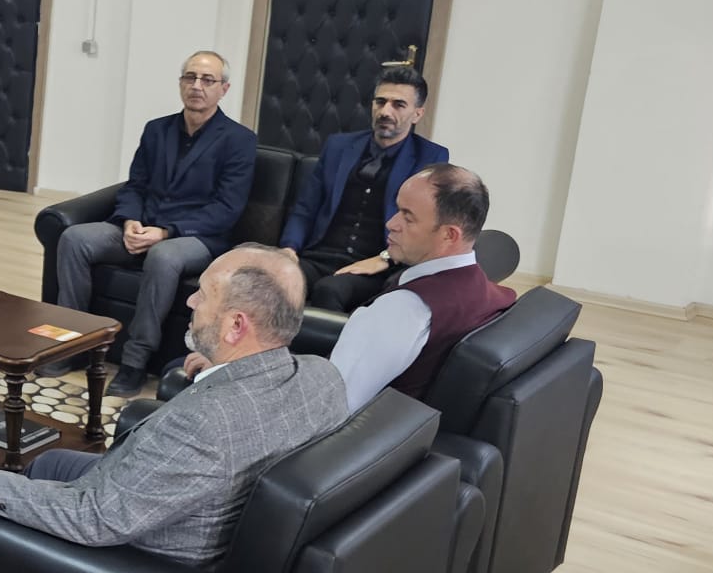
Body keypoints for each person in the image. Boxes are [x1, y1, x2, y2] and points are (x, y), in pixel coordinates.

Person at [0, 244, 346, 573]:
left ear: (236, 326)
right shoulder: (319, 376)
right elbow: (244, 408)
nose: (190, 302)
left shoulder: (204, 424)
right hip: (176, 503)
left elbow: (96, 519)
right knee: (47, 462)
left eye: (203, 294)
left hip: (143, 558)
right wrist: (218, 370)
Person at [51, 50, 257, 396]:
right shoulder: (157, 129)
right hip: (143, 227)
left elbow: (226, 209)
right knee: (74, 238)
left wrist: (166, 232)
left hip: (196, 237)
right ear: (180, 83)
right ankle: (72, 343)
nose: (197, 86)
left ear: (224, 89)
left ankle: (135, 361)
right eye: (190, 77)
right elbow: (135, 186)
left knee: (163, 256)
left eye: (207, 80)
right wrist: (130, 220)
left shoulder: (239, 140)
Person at [326, 164, 516, 411]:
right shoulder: (488, 292)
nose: (391, 223)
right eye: (398, 210)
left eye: (408, 217)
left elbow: (332, 404)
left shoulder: (403, 309)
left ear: (449, 235)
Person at [277, 64, 449, 312]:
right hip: (319, 255)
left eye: (398, 105)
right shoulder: (338, 146)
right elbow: (306, 207)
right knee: (274, 278)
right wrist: (289, 249)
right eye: (380, 102)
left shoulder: (430, 158)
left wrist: (386, 258)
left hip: (376, 264)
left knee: (329, 290)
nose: (385, 111)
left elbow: (422, 225)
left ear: (417, 114)